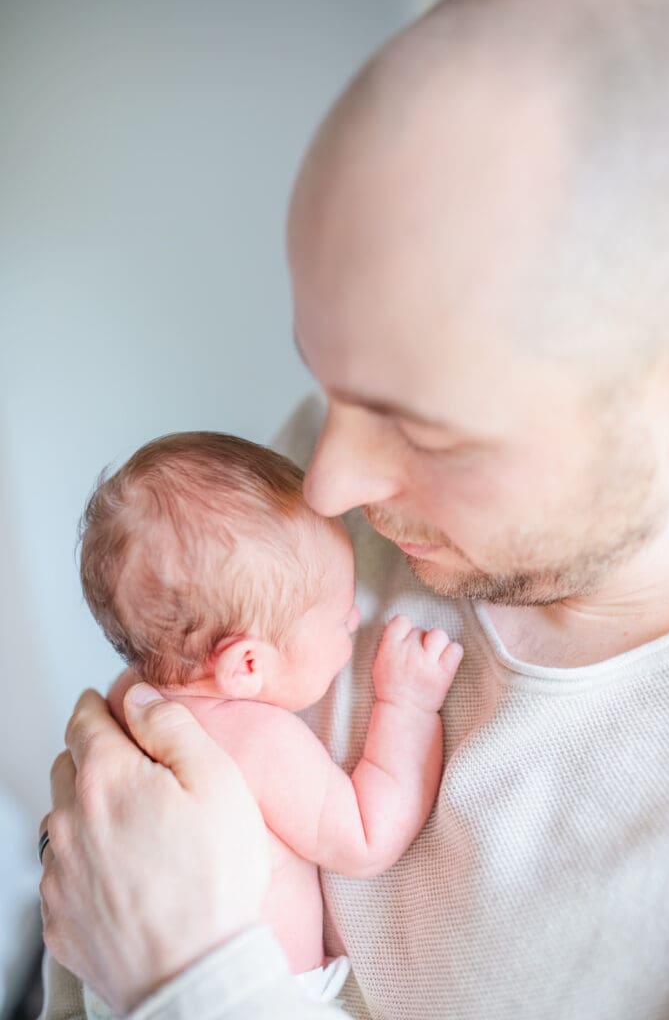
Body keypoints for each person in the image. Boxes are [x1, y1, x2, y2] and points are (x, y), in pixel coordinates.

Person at [40, 0, 669, 1018]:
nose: (327, 484)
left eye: (421, 429)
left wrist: (188, 983)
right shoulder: (314, 502)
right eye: (327, 383)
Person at [74, 430, 461, 1011]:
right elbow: (364, 837)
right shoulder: (252, 739)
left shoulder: (128, 696)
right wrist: (406, 707)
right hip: (255, 992)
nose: (357, 617)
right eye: (338, 618)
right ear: (246, 664)